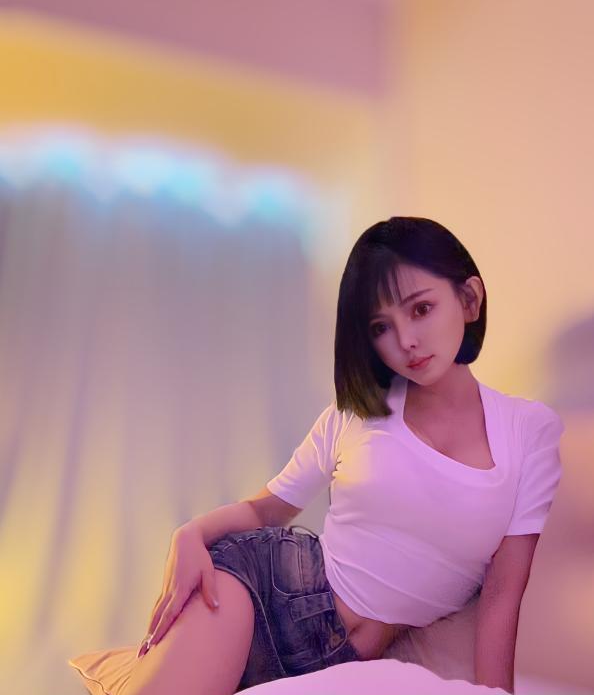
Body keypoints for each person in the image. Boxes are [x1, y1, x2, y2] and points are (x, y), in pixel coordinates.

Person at [126, 216, 564, 695]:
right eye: (381, 326)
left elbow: (502, 594)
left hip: (345, 661)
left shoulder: (529, 430)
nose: (406, 341)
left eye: (421, 309)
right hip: (264, 589)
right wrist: (190, 533)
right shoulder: (355, 414)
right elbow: (266, 509)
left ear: (469, 299)